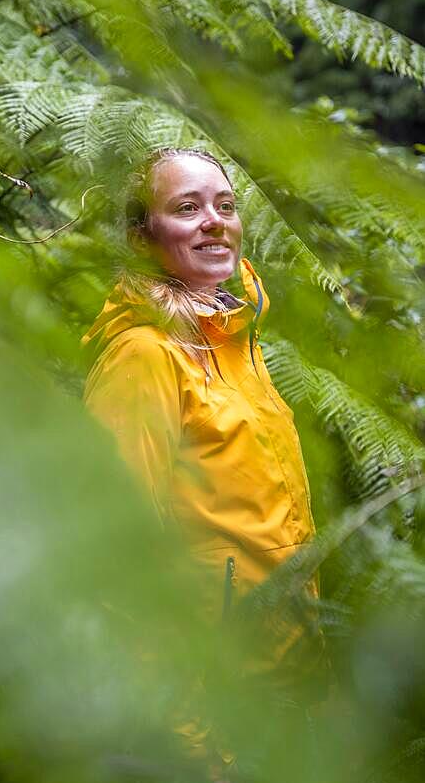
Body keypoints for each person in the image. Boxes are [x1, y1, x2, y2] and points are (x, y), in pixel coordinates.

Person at [82, 147, 321, 672]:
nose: (215, 222)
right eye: (188, 208)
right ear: (143, 237)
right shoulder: (144, 356)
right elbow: (115, 551)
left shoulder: (234, 343)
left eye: (226, 206)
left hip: (285, 677)